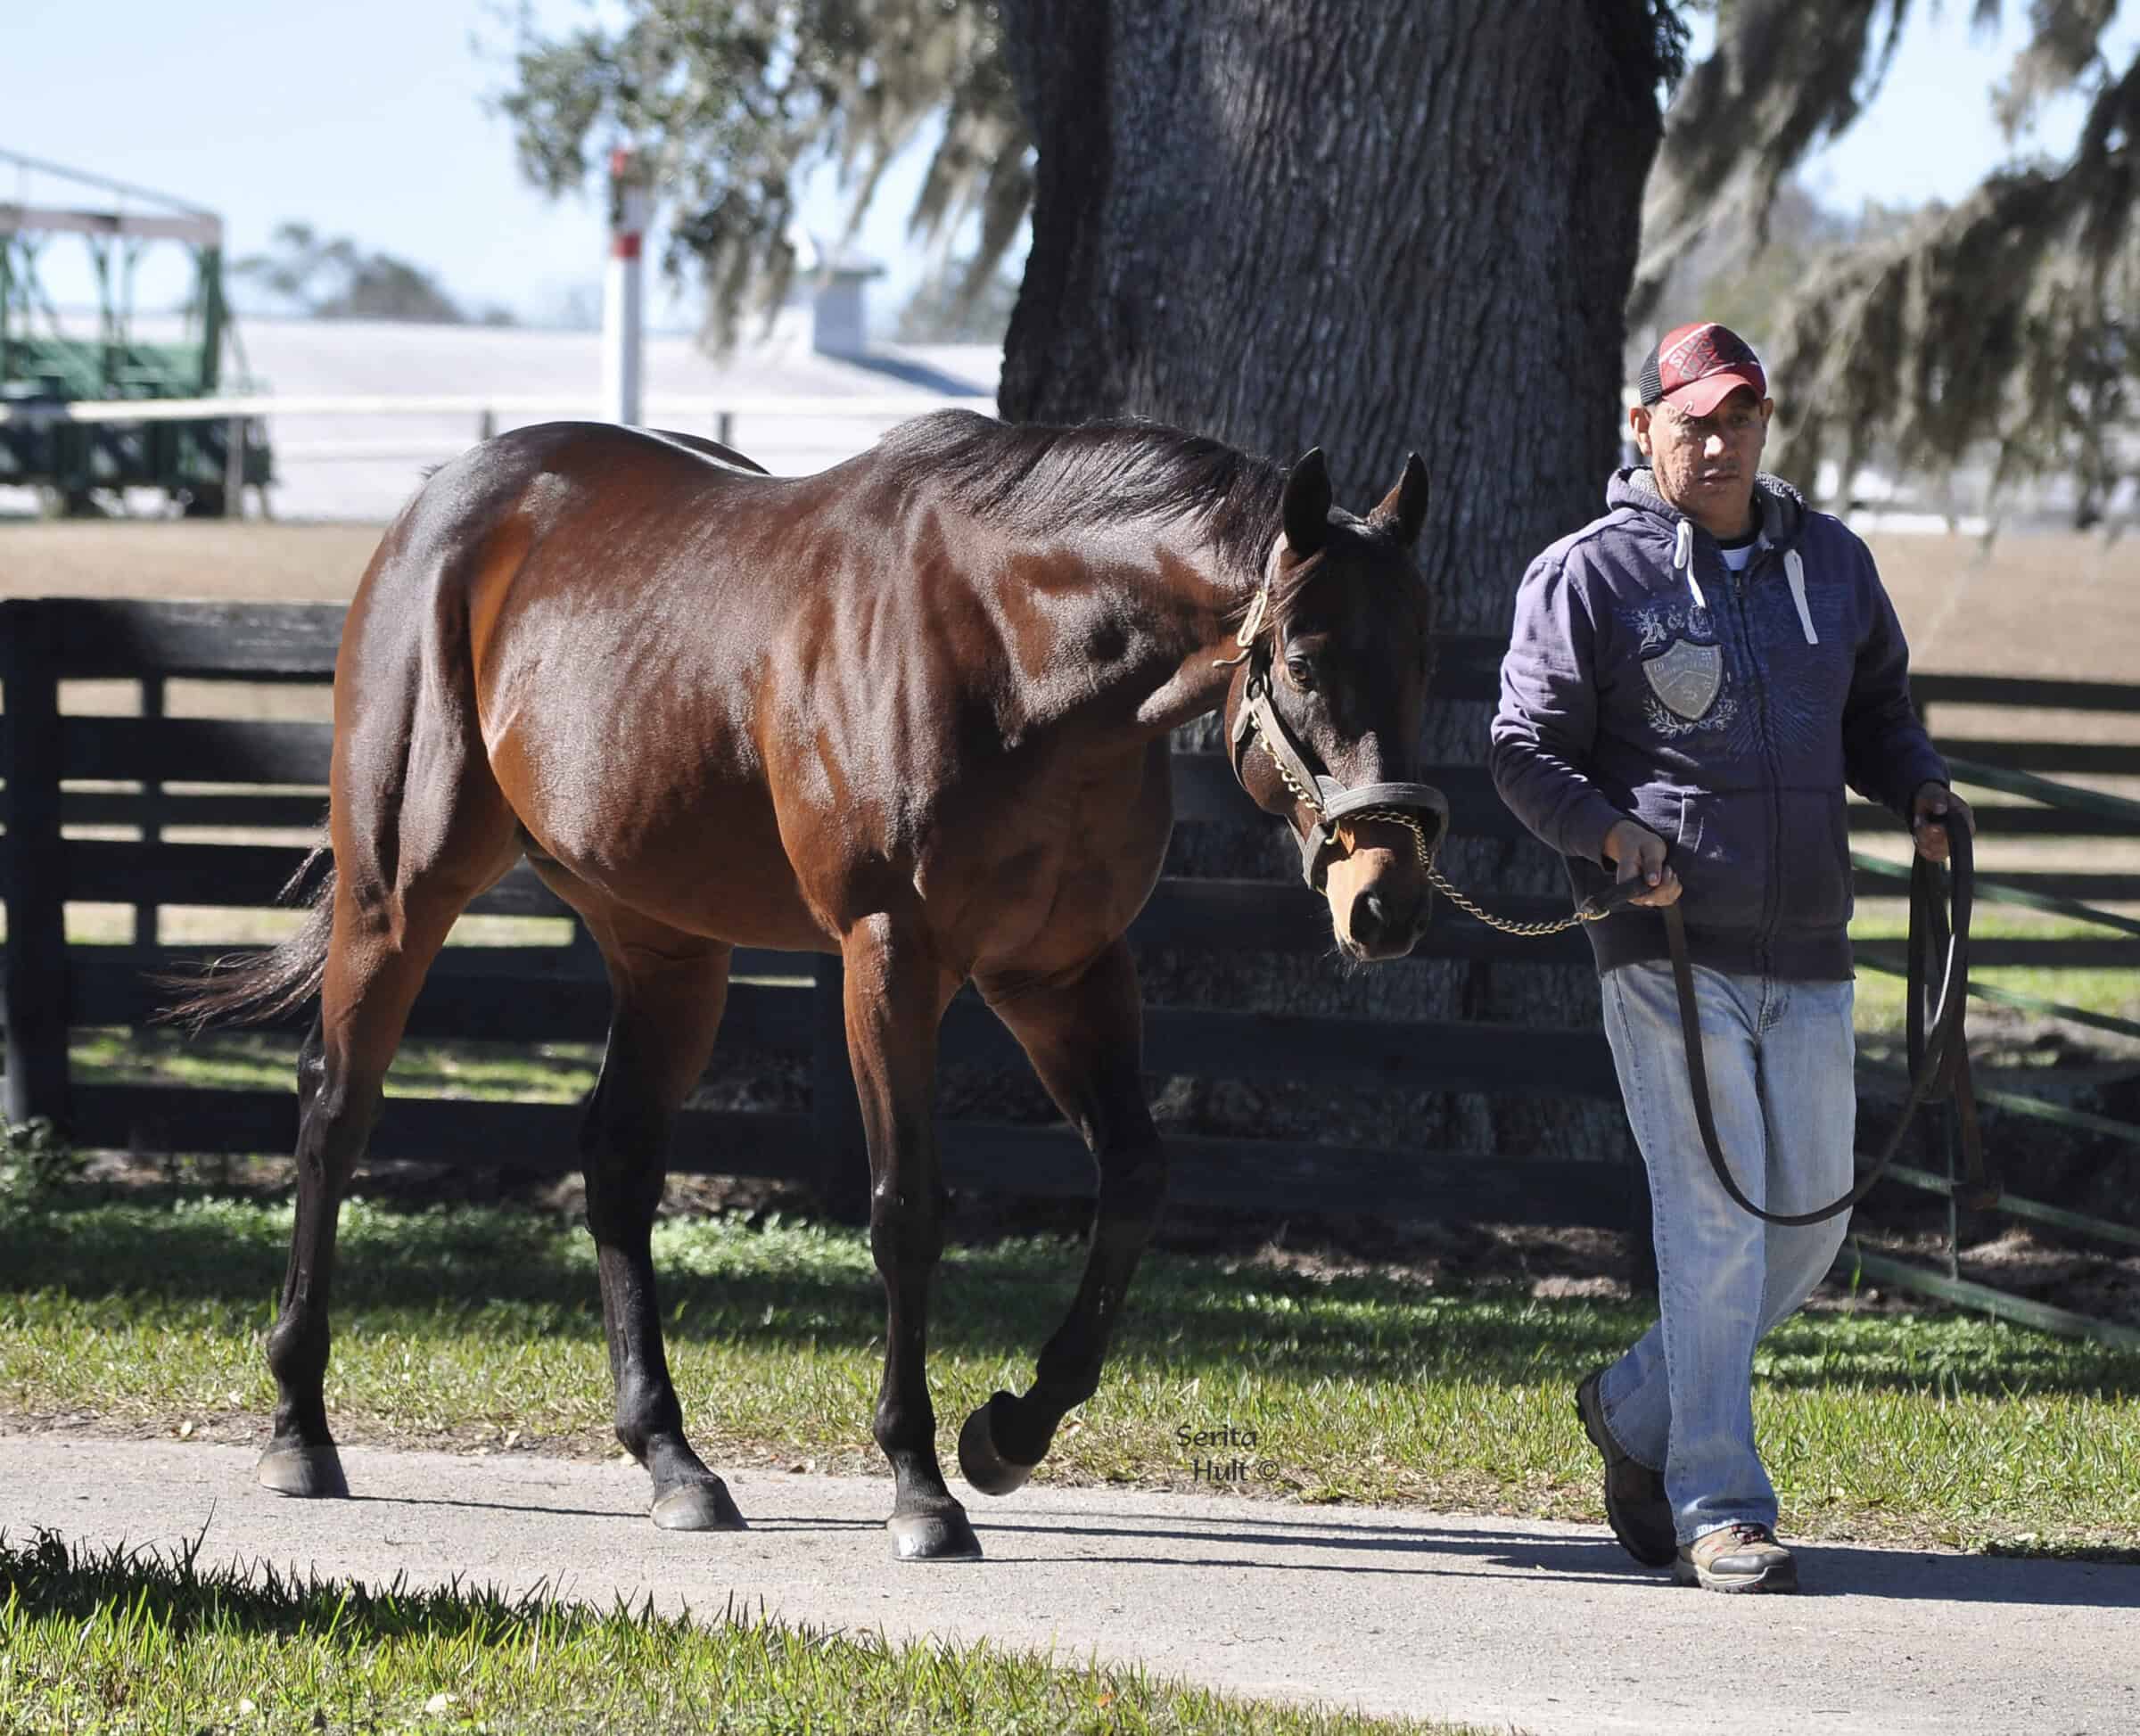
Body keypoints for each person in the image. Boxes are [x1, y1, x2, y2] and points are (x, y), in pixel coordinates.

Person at [1488, 321, 1971, 1593]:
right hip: (1666, 943)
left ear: (1764, 427)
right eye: (1693, 420)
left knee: (1809, 1227)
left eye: (1739, 419)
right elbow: (1522, 748)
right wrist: (1607, 833)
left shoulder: (1834, 566)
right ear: (1644, 428)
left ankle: (1632, 1408)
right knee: (1712, 1232)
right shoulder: (1587, 577)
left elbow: (1879, 718)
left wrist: (1919, 792)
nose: (1718, 441)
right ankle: (1720, 1503)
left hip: (1812, 941)